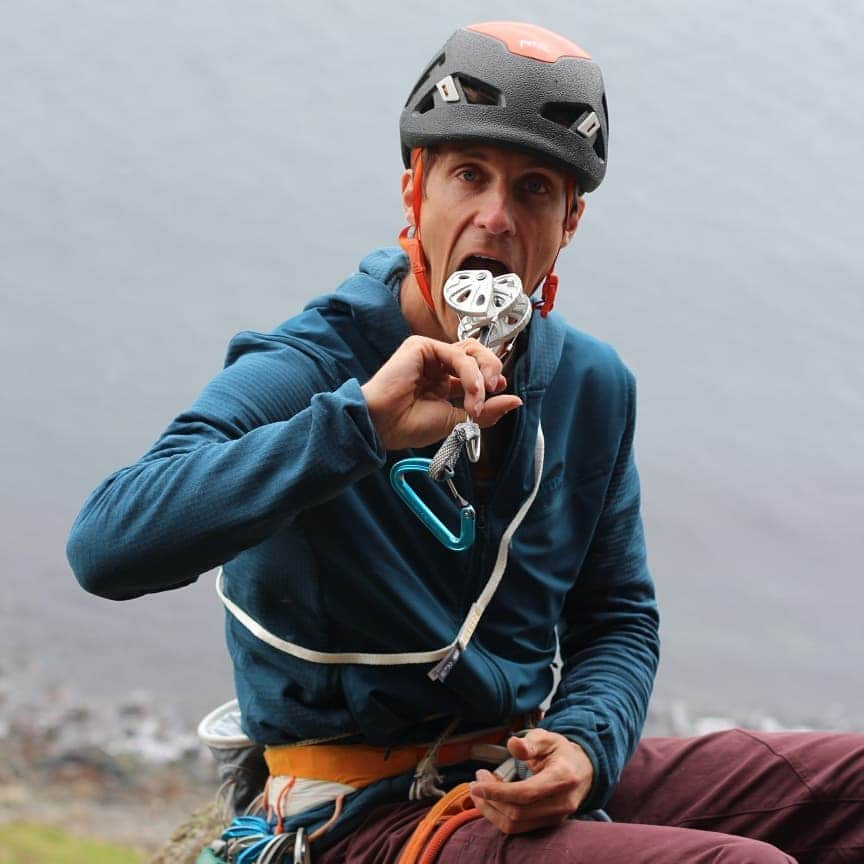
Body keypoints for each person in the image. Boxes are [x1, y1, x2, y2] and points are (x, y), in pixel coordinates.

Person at [67, 21, 862, 864]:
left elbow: (619, 618)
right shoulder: (310, 366)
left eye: (534, 191)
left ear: (570, 222)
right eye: (469, 176)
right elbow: (107, 546)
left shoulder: (594, 386)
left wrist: (588, 747)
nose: (496, 216)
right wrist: (359, 425)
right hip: (358, 811)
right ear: (416, 192)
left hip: (514, 767)